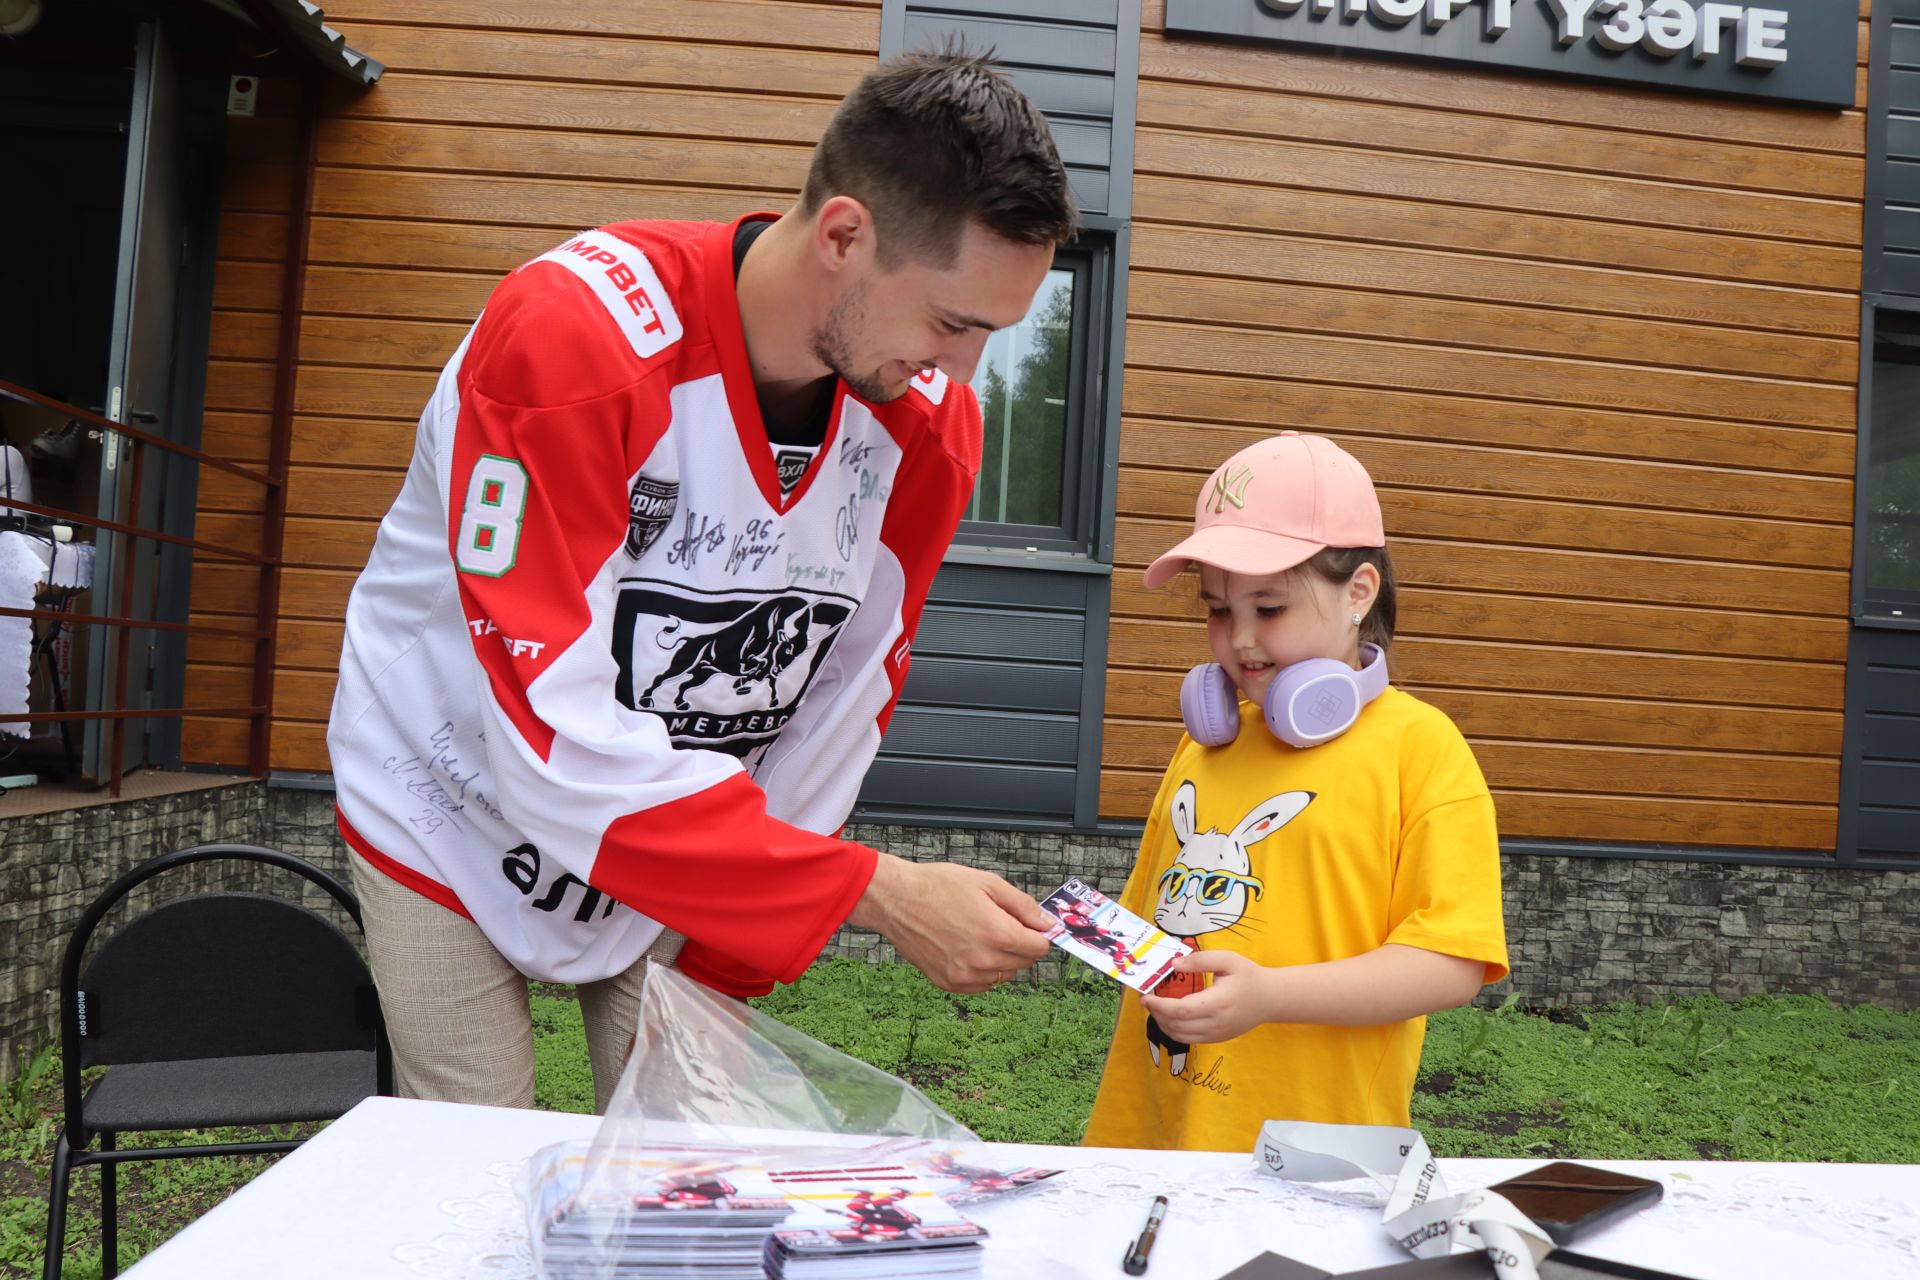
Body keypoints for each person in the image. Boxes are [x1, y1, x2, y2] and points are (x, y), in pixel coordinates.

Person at [326, 49, 1078, 1111]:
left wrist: (731, 959)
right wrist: (878, 891)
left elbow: (835, 712)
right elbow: (553, 744)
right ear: (845, 236)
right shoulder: (572, 343)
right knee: (472, 1150)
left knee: (685, 1147)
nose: (963, 374)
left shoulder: (930, 431)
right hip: (454, 791)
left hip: (684, 823)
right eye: (955, 324)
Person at [1080, 432, 1508, 1151]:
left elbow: (1451, 963)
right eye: (1218, 610)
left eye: (1269, 609)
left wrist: (1272, 996)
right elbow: (1155, 924)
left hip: (1319, 1159)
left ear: (1359, 592)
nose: (1239, 641)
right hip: (1160, 1140)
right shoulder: (1208, 740)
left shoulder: (1421, 749)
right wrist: (1064, 927)